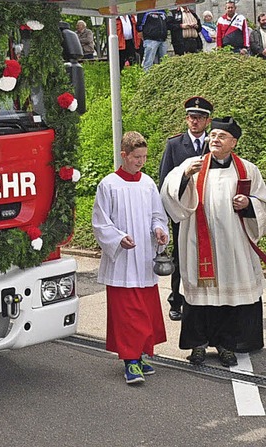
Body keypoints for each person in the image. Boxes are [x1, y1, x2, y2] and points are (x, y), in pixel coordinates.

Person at [161, 117, 266, 367]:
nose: (214, 139)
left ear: (234, 142)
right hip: (199, 242)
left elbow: (262, 200)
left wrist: (248, 204)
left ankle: (226, 344)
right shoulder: (193, 164)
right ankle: (197, 345)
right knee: (199, 296)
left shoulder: (248, 170)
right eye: (213, 135)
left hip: (233, 245)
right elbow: (168, 192)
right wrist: (185, 176)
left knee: (228, 296)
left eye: (221, 136)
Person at [92, 131, 170, 384]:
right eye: (137, 157)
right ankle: (130, 362)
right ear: (123, 155)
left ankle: (141, 355)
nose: (141, 161)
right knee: (128, 314)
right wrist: (117, 238)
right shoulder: (108, 184)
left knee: (145, 312)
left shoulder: (148, 183)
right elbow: (101, 223)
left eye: (145, 157)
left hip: (145, 259)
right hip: (123, 263)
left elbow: (158, 215)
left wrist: (159, 230)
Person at [158, 96, 213, 322]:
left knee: (206, 255)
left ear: (207, 121)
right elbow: (164, 180)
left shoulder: (215, 143)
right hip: (182, 210)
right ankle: (176, 300)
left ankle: (204, 299)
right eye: (191, 117)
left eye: (200, 118)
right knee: (180, 257)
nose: (195, 122)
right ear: (186, 119)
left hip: (208, 210)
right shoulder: (175, 144)